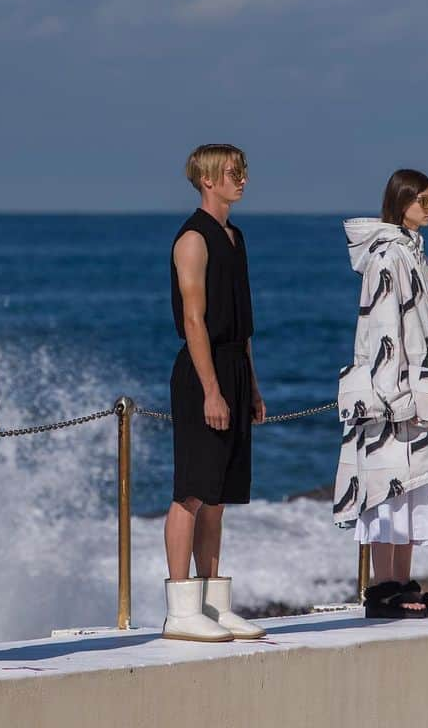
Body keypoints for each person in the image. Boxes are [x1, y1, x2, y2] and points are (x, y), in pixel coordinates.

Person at [334, 169, 428, 619]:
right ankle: (383, 587)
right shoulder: (389, 256)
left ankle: (400, 582)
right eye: (424, 200)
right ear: (402, 201)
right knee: (387, 488)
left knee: (410, 488)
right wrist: (392, 392)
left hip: (420, 387)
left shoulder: (412, 251)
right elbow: (381, 327)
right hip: (396, 392)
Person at [161, 144, 267, 641]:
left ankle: (211, 603)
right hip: (202, 373)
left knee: (219, 497)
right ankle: (180, 608)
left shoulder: (235, 237)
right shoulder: (192, 240)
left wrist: (251, 386)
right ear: (207, 179)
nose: (241, 179)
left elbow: (241, 325)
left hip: (233, 369)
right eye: (232, 172)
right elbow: (193, 319)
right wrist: (211, 390)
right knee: (191, 492)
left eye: (243, 171)